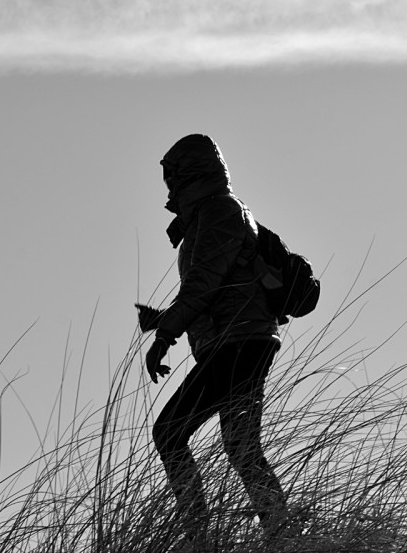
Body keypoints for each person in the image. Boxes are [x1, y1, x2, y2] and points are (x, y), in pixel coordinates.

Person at [137, 134, 295, 545]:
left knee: (170, 432)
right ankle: (280, 534)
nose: (168, 187)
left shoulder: (221, 211)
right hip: (237, 340)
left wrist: (165, 335)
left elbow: (204, 285)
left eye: (173, 177)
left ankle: (197, 537)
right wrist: (163, 321)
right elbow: (214, 288)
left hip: (238, 342)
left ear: (191, 174)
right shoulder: (206, 217)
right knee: (241, 447)